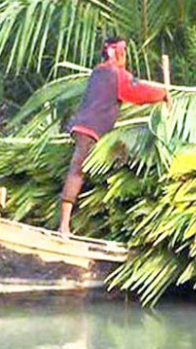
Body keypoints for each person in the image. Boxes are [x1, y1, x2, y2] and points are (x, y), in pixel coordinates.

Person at [58, 37, 171, 234]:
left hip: (82, 127)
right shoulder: (115, 74)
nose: (125, 57)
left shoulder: (98, 71)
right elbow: (136, 91)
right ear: (115, 53)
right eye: (123, 52)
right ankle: (64, 226)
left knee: (86, 168)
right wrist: (162, 94)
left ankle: (78, 222)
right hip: (89, 130)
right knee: (77, 170)